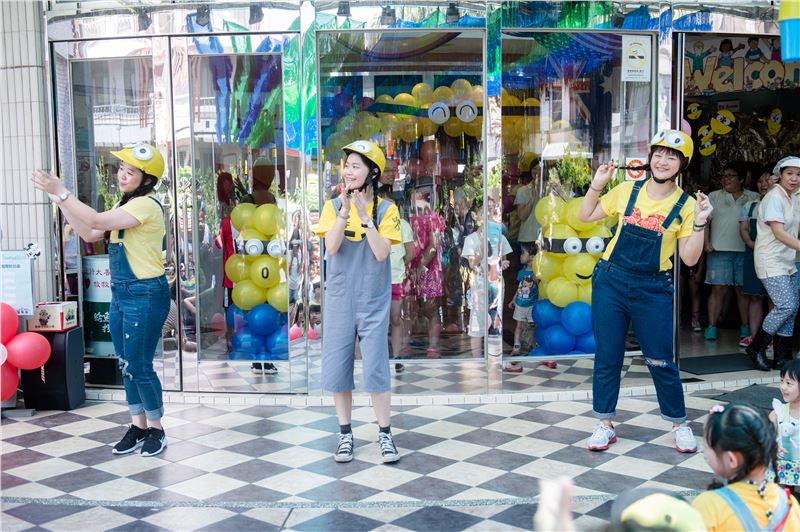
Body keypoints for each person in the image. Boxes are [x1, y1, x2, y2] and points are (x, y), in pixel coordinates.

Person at [32, 143, 171, 457]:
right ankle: (138, 426)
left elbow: (94, 220)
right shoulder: (127, 205)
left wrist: (63, 193)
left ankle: (157, 429)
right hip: (122, 294)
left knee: (139, 365)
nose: (122, 175)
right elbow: (89, 233)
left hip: (145, 294)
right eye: (121, 169)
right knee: (126, 364)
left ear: (148, 180)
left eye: (130, 172)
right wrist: (59, 200)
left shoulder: (146, 205)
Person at [579, 129, 709, 453]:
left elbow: (690, 258)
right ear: (650, 157)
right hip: (610, 280)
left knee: (660, 359)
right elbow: (586, 215)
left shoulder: (687, 205)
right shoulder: (627, 190)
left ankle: (679, 423)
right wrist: (597, 184)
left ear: (682, 164)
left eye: (672, 157)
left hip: (653, 287)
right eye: (658, 154)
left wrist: (700, 223)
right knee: (608, 355)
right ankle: (605, 423)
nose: (663, 161)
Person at [314, 140, 401, 464]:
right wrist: (344, 212)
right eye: (347, 165)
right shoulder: (332, 207)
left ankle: (385, 434)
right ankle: (345, 434)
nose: (348, 172)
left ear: (372, 172)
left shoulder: (387, 210)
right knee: (338, 366)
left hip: (372, 298)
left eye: (356, 166)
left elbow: (381, 253)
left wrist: (366, 217)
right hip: (339, 298)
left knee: (376, 365)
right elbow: (331, 248)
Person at [692, 403, 800, 531]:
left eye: (707, 447)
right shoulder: (789, 504)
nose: (705, 453)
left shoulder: (708, 506)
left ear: (731, 460)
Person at [747, 157, 800, 371]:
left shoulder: (792, 197)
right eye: (790, 173)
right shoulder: (774, 197)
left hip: (787, 260)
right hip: (770, 260)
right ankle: (756, 348)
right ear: (780, 175)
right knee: (786, 305)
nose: (794, 178)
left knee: (792, 308)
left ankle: (782, 357)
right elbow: (778, 232)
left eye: (799, 175)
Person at [703, 161, 759, 341]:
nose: (726, 179)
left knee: (743, 291)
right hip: (718, 249)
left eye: (731, 176)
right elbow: (704, 222)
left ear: (741, 179)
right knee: (718, 290)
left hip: (745, 251)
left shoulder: (754, 197)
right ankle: (711, 326)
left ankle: (745, 327)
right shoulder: (713, 196)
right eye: (724, 176)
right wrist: (706, 243)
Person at [378, 185, 415, 372]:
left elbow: (410, 253)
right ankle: (378, 358)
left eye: (390, 204)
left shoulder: (403, 225)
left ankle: (397, 356)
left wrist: (398, 264)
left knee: (395, 317)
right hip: (376, 281)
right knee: (378, 321)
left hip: (395, 279)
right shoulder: (373, 225)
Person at [738, 170, 772, 348]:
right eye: (760, 181)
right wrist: (751, 243)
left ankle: (771, 339)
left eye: (767, 180)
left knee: (773, 299)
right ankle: (754, 337)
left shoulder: (781, 203)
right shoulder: (750, 205)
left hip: (774, 256)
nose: (763, 184)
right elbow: (744, 228)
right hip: (753, 255)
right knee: (755, 297)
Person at [770, 359, 800, 497]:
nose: (783, 387)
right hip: (787, 466)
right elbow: (766, 434)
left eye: (789, 383)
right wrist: (774, 445)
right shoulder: (779, 412)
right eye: (781, 381)